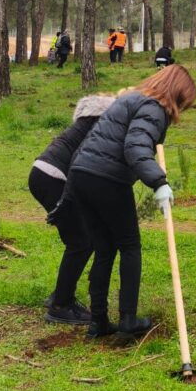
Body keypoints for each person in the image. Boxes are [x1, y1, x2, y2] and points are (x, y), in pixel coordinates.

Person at [68, 64, 196, 339]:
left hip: (82, 175)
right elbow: (135, 147)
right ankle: (128, 319)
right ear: (176, 94)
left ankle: (98, 322)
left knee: (104, 249)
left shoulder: (129, 98)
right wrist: (159, 183)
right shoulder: (153, 107)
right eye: (184, 102)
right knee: (129, 246)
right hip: (107, 180)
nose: (181, 110)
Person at [30, 94, 115, 324]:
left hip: (42, 170)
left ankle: (60, 295)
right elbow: (83, 160)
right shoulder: (102, 123)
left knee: (81, 239)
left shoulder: (88, 120)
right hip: (54, 176)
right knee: (81, 241)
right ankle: (60, 305)